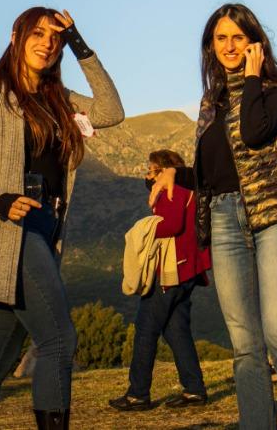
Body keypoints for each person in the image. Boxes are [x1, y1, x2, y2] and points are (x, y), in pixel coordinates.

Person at [0, 8, 124, 430]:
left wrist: (79, 41)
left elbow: (112, 112)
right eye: (37, 33)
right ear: (15, 36)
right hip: (8, 229)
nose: (47, 42)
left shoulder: (58, 98)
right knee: (59, 342)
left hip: (44, 227)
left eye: (55, 37)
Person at [191, 2, 277, 430]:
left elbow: (253, 133)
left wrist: (252, 76)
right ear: (210, 46)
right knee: (245, 344)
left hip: (270, 216)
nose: (229, 45)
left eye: (238, 37)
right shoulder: (211, 100)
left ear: (255, 42)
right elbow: (211, 167)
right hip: (222, 217)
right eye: (221, 38)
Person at [109, 150, 212, 411]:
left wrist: (141, 227)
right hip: (188, 272)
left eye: (151, 169)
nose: (147, 175)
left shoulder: (173, 190)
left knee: (146, 329)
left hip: (170, 272)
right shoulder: (190, 192)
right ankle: (194, 389)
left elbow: (172, 224)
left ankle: (138, 394)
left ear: (164, 170)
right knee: (177, 332)